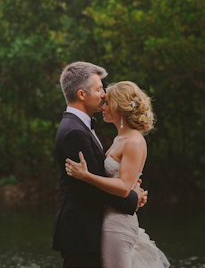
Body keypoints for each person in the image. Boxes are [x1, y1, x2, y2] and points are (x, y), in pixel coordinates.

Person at [53, 62, 148, 268]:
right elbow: (87, 188)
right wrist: (132, 197)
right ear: (81, 94)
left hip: (93, 230)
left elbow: (98, 178)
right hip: (81, 232)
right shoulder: (74, 131)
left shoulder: (80, 127)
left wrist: (130, 190)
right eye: (98, 89)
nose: (103, 95)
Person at [66, 80, 170, 268]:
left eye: (107, 103)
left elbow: (123, 188)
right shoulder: (120, 138)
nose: (102, 107)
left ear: (119, 106)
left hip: (118, 223)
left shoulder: (133, 141)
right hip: (110, 218)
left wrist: (86, 175)